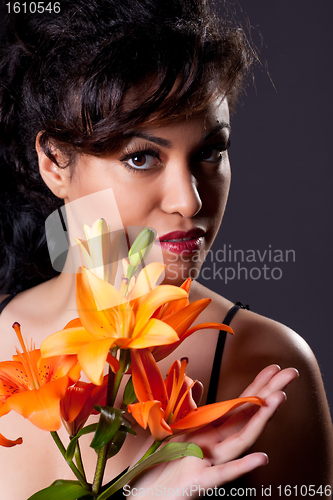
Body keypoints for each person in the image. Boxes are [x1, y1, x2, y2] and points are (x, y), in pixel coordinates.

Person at [0, 1, 332, 498]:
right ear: (54, 163)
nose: (189, 200)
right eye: (141, 157)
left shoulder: (265, 369)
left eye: (210, 152)